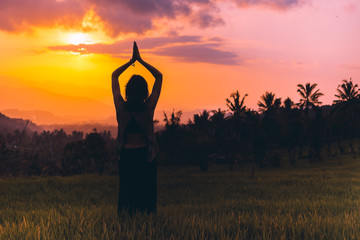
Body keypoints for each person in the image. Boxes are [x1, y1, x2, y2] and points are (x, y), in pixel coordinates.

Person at [112, 42, 162, 215]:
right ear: (144, 91)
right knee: (146, 196)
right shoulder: (148, 108)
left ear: (127, 90)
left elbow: (114, 76)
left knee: (127, 195)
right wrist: (140, 61)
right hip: (145, 157)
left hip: (126, 156)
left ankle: (127, 228)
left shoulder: (121, 108)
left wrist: (130, 61)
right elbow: (159, 77)